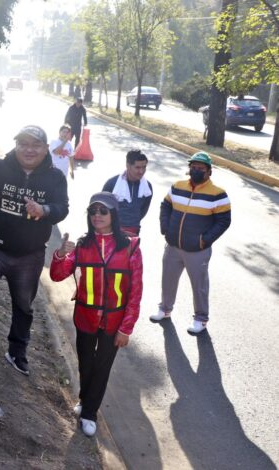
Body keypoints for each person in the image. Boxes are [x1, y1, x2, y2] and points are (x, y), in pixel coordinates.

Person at [0, 125, 69, 375]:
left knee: (23, 305)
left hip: (30, 255)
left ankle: (17, 351)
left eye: (35, 145)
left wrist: (44, 210)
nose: (29, 149)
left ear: (46, 149)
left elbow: (62, 208)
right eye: (23, 143)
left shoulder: (55, 177)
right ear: (16, 145)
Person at [50, 191, 142, 438]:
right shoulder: (82, 245)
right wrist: (60, 254)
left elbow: (135, 291)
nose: (97, 216)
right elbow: (57, 275)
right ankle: (84, 399)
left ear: (113, 214)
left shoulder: (131, 247)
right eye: (93, 211)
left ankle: (90, 412)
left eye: (103, 211)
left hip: (114, 320)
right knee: (86, 363)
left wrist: (126, 328)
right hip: (85, 317)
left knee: (102, 367)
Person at [149, 152, 231, 335]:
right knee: (168, 280)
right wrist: (165, 227)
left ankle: (201, 319)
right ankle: (165, 309)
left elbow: (223, 221)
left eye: (200, 168)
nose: (195, 171)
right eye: (193, 167)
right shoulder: (177, 186)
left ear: (209, 171)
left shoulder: (218, 194)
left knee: (199, 285)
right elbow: (166, 205)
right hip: (173, 246)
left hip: (197, 250)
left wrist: (204, 240)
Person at [102, 149, 153, 236]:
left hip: (134, 232)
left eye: (144, 167)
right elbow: (102, 209)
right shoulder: (112, 184)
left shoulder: (147, 187)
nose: (141, 171)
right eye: (137, 167)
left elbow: (143, 210)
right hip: (111, 232)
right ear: (128, 166)